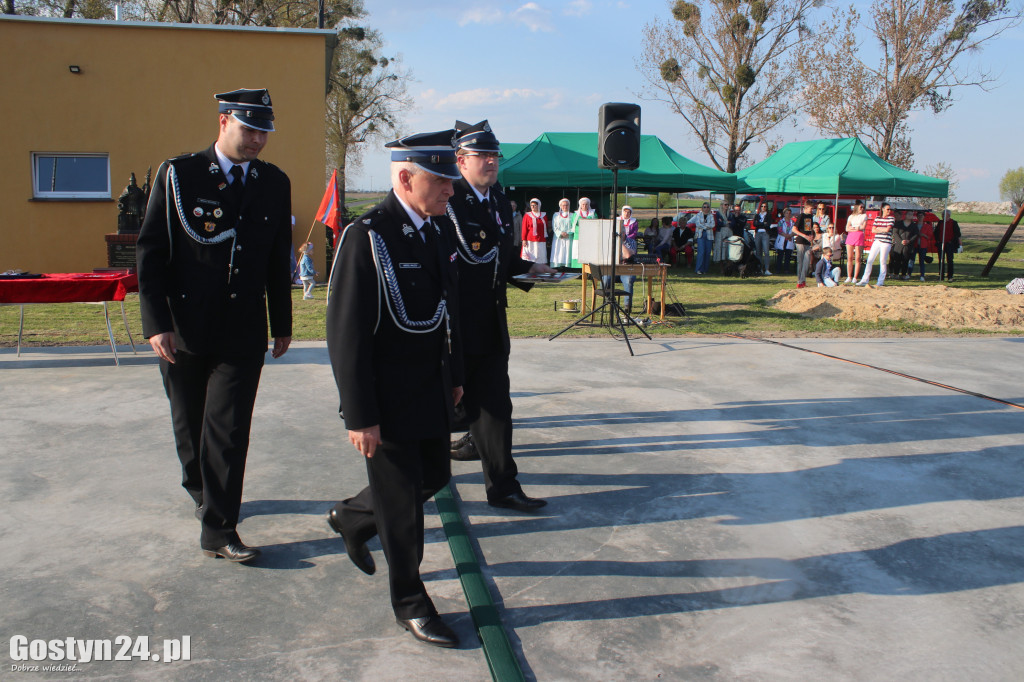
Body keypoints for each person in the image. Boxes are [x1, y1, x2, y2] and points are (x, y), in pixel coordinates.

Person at [136, 88, 292, 564]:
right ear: (224, 121)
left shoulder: (273, 182)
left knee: (228, 428)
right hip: (184, 325)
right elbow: (151, 252)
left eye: (264, 132)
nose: (258, 141)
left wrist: (281, 323)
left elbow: (274, 259)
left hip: (242, 328)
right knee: (189, 420)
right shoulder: (179, 174)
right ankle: (200, 489)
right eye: (250, 130)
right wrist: (156, 322)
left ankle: (220, 527)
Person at [325, 129, 465, 649]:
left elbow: (447, 311)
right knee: (403, 506)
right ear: (405, 177)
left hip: (429, 387)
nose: (451, 190)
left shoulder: (434, 229)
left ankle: (354, 516)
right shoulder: (367, 236)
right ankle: (410, 601)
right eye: (442, 180)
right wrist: (359, 415)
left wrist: (455, 377)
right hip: (385, 398)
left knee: (435, 474)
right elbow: (346, 333)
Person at [441, 120, 552, 512]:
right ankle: (402, 490)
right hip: (452, 328)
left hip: (490, 325)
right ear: (461, 160)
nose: (491, 162)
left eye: (494, 156)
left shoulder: (500, 202)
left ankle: (503, 486)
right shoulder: (448, 199)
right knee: (442, 410)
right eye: (481, 156)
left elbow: (499, 260)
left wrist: (532, 270)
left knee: (497, 407)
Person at [857, 202, 895, 286]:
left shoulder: (891, 219)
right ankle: (865, 279)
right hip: (877, 241)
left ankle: (880, 281)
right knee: (870, 260)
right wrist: (882, 229)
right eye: (887, 209)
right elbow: (873, 230)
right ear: (883, 209)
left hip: (886, 242)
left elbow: (887, 230)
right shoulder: (877, 218)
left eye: (890, 209)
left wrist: (879, 228)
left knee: (882, 261)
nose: (889, 211)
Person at [792, 201, 816, 288]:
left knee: (807, 261)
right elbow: (794, 229)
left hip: (807, 242)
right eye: (811, 208)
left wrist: (812, 234)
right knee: (800, 262)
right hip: (800, 241)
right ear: (806, 208)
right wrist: (805, 236)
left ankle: (803, 279)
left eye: (813, 208)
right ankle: (800, 281)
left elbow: (810, 228)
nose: (812, 210)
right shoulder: (801, 216)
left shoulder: (811, 217)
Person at [688, 202, 715, 274]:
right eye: (704, 207)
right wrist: (706, 227)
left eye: (707, 207)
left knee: (707, 252)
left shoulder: (711, 215)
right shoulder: (698, 215)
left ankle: (705, 270)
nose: (706, 209)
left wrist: (704, 226)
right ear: (702, 208)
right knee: (701, 252)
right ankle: (698, 269)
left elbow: (713, 225)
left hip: (709, 236)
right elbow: (698, 224)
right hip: (700, 235)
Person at [844, 199, 867, 283]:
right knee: (849, 257)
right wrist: (856, 228)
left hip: (859, 235)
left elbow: (863, 227)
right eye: (861, 207)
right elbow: (847, 228)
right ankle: (849, 276)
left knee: (857, 258)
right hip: (851, 236)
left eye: (863, 207)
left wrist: (855, 228)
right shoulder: (851, 216)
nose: (862, 208)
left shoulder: (864, 216)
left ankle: (855, 277)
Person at [892, 211, 920, 280]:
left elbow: (916, 234)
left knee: (905, 260)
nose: (910, 215)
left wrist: (909, 241)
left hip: (908, 245)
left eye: (911, 214)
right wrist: (900, 241)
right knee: (897, 260)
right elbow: (895, 233)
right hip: (899, 244)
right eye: (909, 214)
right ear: (905, 215)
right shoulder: (898, 223)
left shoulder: (914, 225)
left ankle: (904, 274)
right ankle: (896, 274)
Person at [936, 209, 962, 281]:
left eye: (944, 215)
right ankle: (941, 275)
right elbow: (936, 233)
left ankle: (950, 276)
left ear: (949, 215)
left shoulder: (953, 223)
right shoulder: (940, 223)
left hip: (950, 244)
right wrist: (938, 241)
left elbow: (958, 235)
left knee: (950, 260)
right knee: (941, 260)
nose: (943, 216)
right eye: (942, 215)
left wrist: (960, 245)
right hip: (941, 244)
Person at [550, 198, 574, 267]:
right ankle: (557, 266)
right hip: (558, 237)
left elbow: (573, 226)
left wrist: (568, 233)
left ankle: (567, 266)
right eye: (563, 205)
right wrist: (560, 233)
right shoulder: (556, 215)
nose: (565, 207)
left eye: (567, 205)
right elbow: (554, 226)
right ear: (560, 206)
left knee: (567, 252)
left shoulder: (572, 215)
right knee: (558, 251)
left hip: (568, 237)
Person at [521, 198, 547, 263]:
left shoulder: (543, 216)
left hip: (541, 239)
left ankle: (540, 268)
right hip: (530, 239)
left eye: (534, 205)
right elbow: (524, 228)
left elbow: (545, 226)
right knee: (531, 255)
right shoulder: (527, 215)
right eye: (531, 205)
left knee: (540, 255)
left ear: (538, 206)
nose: (532, 207)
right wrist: (524, 239)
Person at [751, 201, 772, 274]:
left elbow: (768, 224)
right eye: (762, 206)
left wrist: (759, 224)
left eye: (765, 206)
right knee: (758, 251)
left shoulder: (768, 215)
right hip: (758, 233)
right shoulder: (757, 215)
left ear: (766, 208)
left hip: (765, 233)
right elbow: (754, 224)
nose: (763, 208)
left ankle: (767, 269)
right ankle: (759, 269)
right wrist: (763, 223)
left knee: (766, 251)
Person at [914, 211, 935, 281]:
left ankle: (922, 275)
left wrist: (923, 235)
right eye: (919, 216)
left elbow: (930, 236)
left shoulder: (927, 226)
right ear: (917, 217)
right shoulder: (914, 225)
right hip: (915, 244)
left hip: (923, 245)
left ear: (924, 217)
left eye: (921, 216)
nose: (920, 217)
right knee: (911, 259)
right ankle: (908, 273)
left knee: (921, 261)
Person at [774, 207, 795, 274]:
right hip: (782, 240)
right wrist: (787, 236)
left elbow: (794, 231)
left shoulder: (792, 222)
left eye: (789, 213)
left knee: (788, 256)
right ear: (784, 214)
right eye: (787, 213)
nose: (788, 214)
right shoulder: (781, 222)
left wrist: (790, 236)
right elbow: (780, 230)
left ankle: (786, 269)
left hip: (789, 240)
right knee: (780, 256)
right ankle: (778, 269)